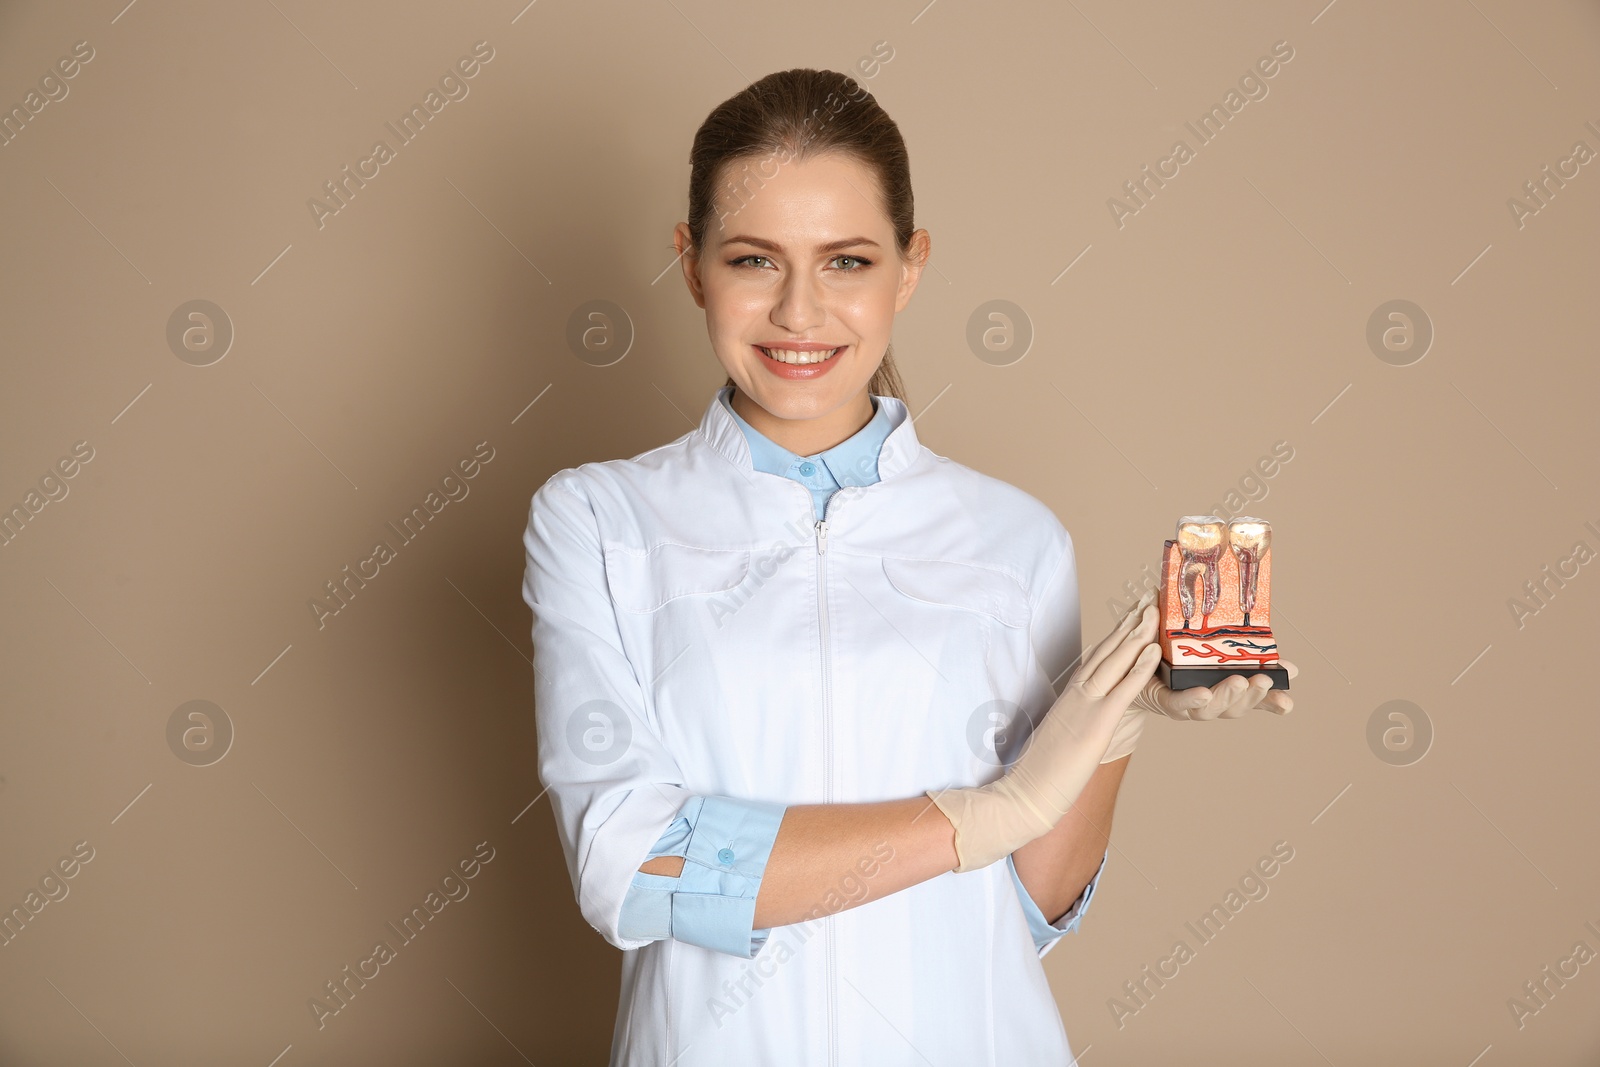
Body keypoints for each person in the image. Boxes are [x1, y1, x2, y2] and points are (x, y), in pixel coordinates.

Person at [521, 67, 1296, 1067]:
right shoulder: (597, 519)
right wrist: (988, 812)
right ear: (692, 263)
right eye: (755, 258)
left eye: (846, 261)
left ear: (909, 266)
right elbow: (635, 869)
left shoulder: (1013, 537)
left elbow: (1025, 905)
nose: (800, 313)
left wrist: (1111, 723)